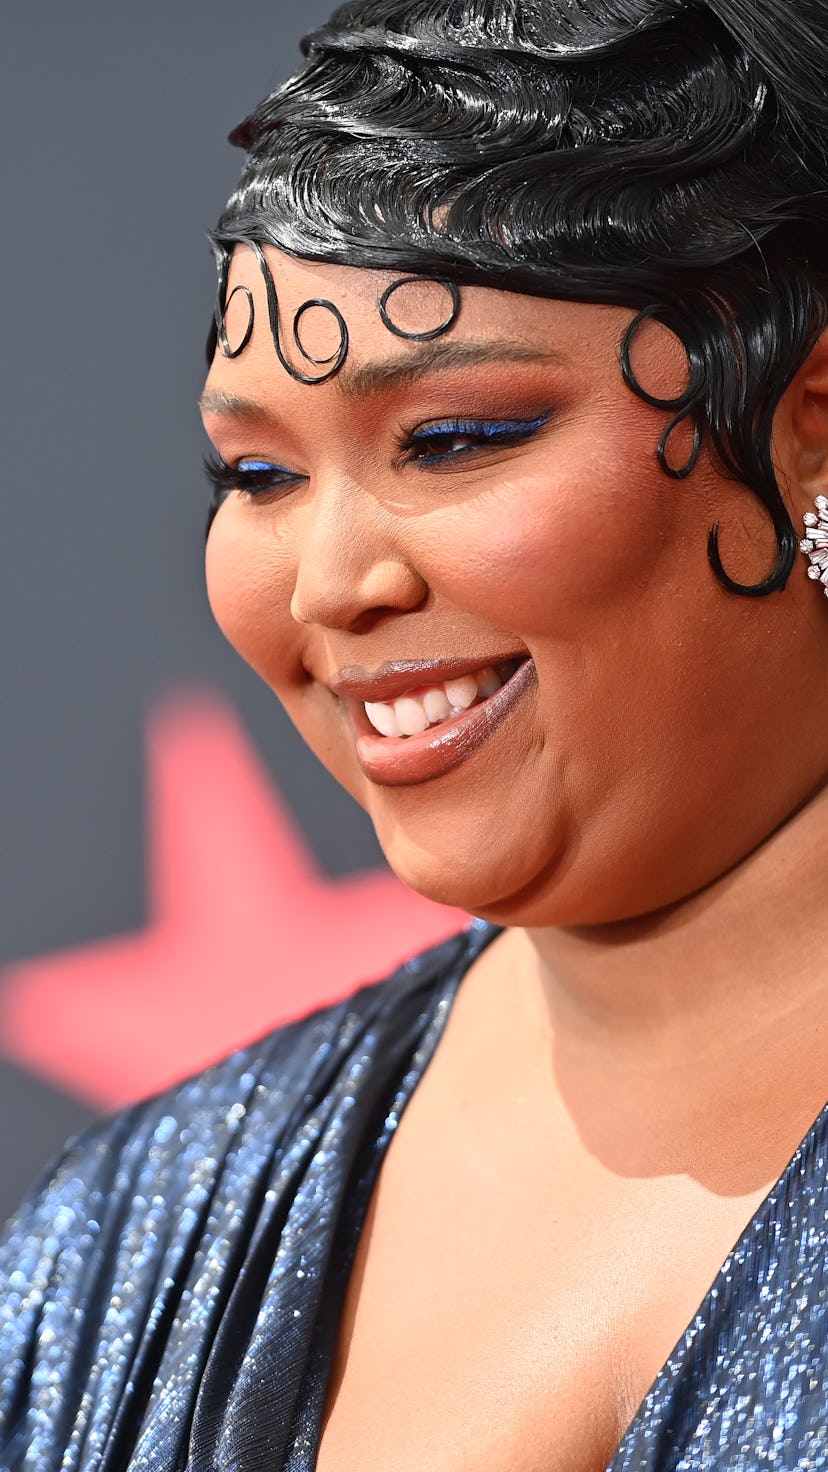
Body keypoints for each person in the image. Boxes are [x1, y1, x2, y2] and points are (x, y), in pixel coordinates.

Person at [3, 0, 828, 1466]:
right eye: (254, 473)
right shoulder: (126, 1236)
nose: (331, 584)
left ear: (810, 419)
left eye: (454, 440)